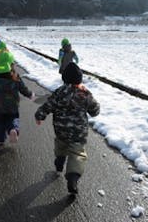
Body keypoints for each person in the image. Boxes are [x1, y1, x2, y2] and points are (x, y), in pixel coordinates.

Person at [35, 62, 100, 195]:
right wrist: (93, 107)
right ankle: (72, 178)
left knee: (61, 146)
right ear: (80, 79)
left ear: (64, 78)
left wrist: (40, 116)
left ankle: (59, 163)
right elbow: (94, 110)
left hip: (61, 130)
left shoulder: (59, 92)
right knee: (77, 154)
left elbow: (48, 105)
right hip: (79, 133)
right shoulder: (85, 93)